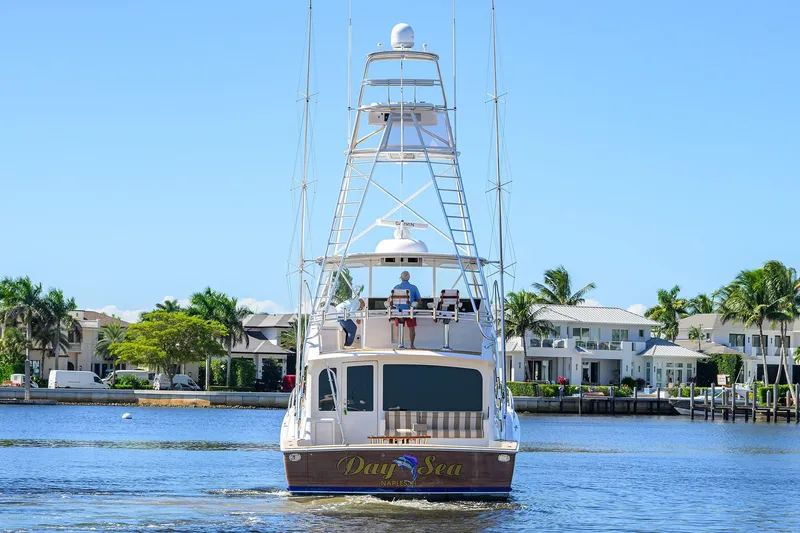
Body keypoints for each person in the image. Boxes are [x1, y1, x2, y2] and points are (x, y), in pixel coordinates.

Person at [390, 271, 421, 349]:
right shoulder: (414, 287)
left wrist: (392, 307)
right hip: (410, 311)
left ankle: (400, 344)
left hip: (399, 311)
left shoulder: (396, 287)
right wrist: (414, 304)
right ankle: (412, 345)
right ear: (409, 278)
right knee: (411, 328)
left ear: (401, 278)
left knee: (400, 327)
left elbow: (390, 300)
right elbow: (419, 300)